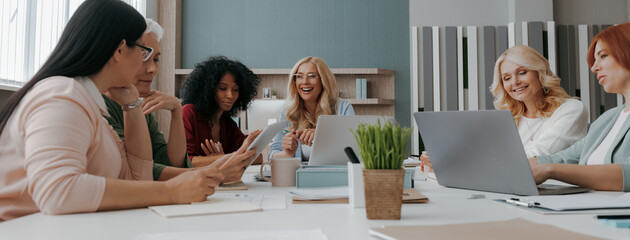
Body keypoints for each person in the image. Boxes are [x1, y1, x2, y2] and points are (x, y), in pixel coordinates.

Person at [0, 0, 248, 221]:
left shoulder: (92, 104)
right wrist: (170, 191)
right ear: (120, 50)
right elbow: (58, 191)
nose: (148, 66)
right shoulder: (62, 95)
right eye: (143, 52)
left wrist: (132, 105)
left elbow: (136, 179)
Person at [103, 19, 259, 182]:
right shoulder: (100, 105)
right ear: (117, 53)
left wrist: (176, 109)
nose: (153, 69)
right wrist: (215, 172)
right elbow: (138, 170)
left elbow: (170, 162)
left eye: (156, 59)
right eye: (144, 57)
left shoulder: (141, 106)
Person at [420, 45, 588, 171]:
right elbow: (484, 152)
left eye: (522, 72)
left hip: (558, 196)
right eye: (507, 78)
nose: (514, 82)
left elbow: (538, 155)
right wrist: (445, 158)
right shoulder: (509, 116)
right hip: (515, 192)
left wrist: (459, 163)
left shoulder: (571, 109)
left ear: (539, 73)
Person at [529, 23, 630, 192]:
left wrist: (550, 171)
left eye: (603, 56)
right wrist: (511, 165)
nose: (594, 67)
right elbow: (563, 158)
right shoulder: (608, 118)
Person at [180, 56, 262, 170]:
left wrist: (223, 159)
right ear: (209, 89)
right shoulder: (189, 113)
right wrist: (228, 158)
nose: (230, 95)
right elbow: (188, 162)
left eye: (235, 89)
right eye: (223, 88)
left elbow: (258, 158)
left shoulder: (227, 123)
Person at [269, 56, 355, 161]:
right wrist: (287, 153)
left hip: (335, 173)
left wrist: (323, 134)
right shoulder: (289, 112)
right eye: (299, 76)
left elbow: (355, 147)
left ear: (323, 81)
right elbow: (272, 155)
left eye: (312, 76)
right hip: (298, 176)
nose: (305, 81)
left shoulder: (342, 107)